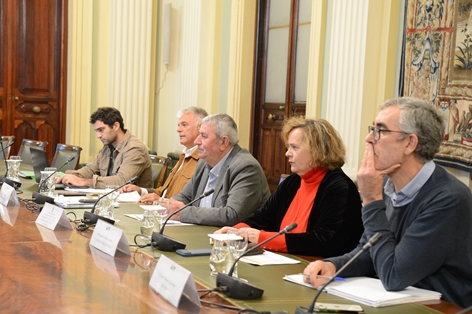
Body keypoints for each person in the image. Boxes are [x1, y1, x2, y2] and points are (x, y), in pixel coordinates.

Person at [303, 97, 472, 308]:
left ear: (410, 143)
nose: (368, 138)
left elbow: (394, 275)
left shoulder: (448, 199)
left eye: (380, 131)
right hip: (399, 302)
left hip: (440, 308)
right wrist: (334, 265)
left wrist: (372, 200)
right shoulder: (387, 186)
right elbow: (370, 250)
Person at [215, 117, 364, 257]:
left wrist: (263, 238)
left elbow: (324, 240)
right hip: (283, 261)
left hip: (318, 267)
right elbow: (264, 217)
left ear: (317, 150)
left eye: (294, 147)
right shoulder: (293, 182)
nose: (287, 154)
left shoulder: (339, 187)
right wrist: (237, 230)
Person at [163, 113, 270, 226]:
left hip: (234, 241)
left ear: (223, 142)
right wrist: (166, 206)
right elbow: (185, 196)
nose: (197, 141)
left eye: (203, 136)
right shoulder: (204, 162)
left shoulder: (245, 167)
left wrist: (182, 213)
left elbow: (232, 215)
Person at [121, 106, 208, 200]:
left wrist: (160, 201)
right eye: (178, 125)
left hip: (172, 212)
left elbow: (192, 201)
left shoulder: (204, 160)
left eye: (184, 124)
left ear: (200, 128)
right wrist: (140, 191)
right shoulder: (184, 156)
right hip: (161, 209)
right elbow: (164, 192)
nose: (178, 129)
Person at [56, 107, 153, 189]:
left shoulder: (134, 148)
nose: (98, 135)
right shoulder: (108, 147)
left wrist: (84, 182)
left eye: (101, 130)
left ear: (115, 126)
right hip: (111, 201)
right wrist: (71, 176)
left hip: (132, 205)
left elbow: (122, 181)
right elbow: (90, 169)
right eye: (96, 131)